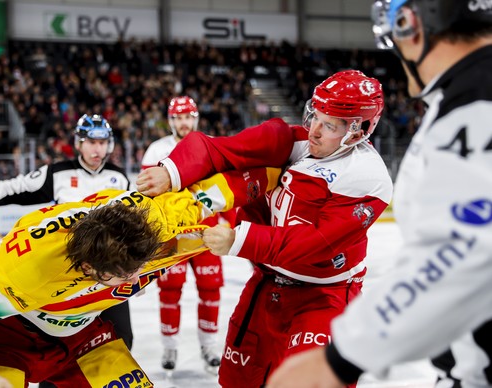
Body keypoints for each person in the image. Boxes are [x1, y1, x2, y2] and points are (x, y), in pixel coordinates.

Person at [265, 1, 492, 387]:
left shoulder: (475, 105)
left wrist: (342, 359)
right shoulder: (463, 97)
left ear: (411, 25)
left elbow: (465, 252)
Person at [137, 70, 393, 387]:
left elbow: (313, 243)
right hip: (265, 286)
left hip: (323, 297)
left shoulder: (368, 178)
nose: (313, 130)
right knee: (236, 380)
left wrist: (238, 239)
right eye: (314, 116)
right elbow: (222, 150)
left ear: (359, 131)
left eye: (329, 125)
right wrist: (172, 173)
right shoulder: (293, 140)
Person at [0, 166, 281, 388]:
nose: (138, 277)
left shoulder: (156, 217)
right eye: (124, 275)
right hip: (8, 336)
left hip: (81, 334)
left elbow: (230, 183)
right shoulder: (25, 271)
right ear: (89, 269)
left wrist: (289, 165)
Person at [0, 114, 135, 355]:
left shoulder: (119, 177)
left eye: (102, 142)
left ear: (109, 144)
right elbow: (17, 187)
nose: (96, 148)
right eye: (90, 141)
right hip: (65, 273)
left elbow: (134, 224)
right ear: (79, 143)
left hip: (110, 274)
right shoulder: (58, 173)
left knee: (122, 340)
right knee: (55, 350)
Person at [140, 95, 232, 372]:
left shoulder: (212, 144)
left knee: (211, 290)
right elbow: (146, 194)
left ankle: (209, 346)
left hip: (206, 232)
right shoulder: (156, 150)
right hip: (171, 234)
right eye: (179, 117)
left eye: (188, 116)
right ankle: (169, 349)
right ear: (171, 120)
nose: (184, 122)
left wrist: (229, 219)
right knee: (169, 292)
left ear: (196, 118)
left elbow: (228, 185)